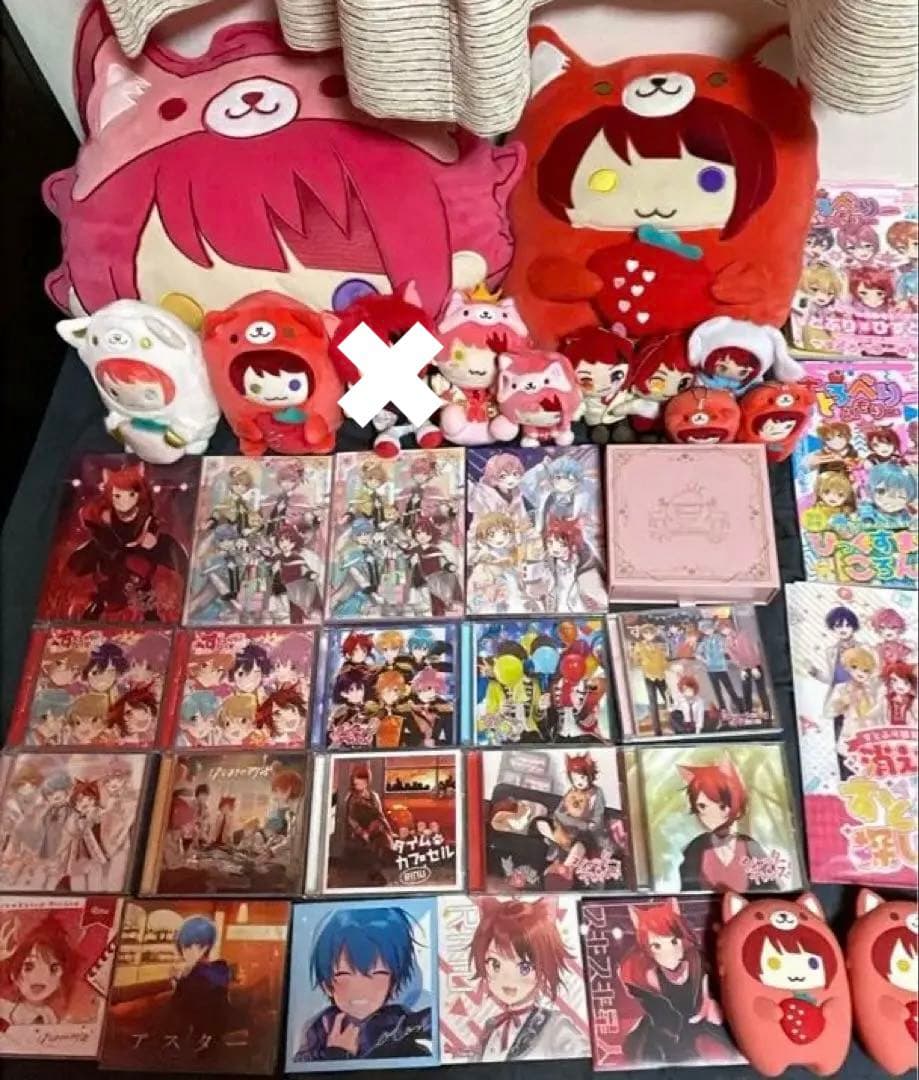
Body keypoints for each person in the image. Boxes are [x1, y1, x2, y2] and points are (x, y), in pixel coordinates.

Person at [296, 907, 431, 1061]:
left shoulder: (396, 1019)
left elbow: (430, 1023)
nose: (361, 988)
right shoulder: (320, 1028)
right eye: (344, 974)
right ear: (326, 985)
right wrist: (337, 1053)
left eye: (378, 974)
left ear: (392, 985)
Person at [618, 899, 732, 1064]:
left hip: (702, 1026)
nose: (669, 953)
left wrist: (710, 1003)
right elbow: (658, 1013)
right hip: (667, 1033)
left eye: (673, 941)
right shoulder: (647, 976)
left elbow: (715, 987)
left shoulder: (699, 961)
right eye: (656, 946)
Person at [470, 898, 583, 1061]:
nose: (508, 978)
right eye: (495, 964)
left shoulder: (557, 1026)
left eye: (525, 967)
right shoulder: (491, 1026)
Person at [677, 759, 768, 892]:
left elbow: (768, 890)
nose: (712, 815)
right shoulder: (694, 849)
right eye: (702, 806)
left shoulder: (750, 847)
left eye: (722, 806)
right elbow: (688, 893)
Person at [161, 916, 231, 1050]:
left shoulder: (193, 978)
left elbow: (177, 1011)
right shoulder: (220, 970)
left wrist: (179, 982)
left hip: (195, 1042)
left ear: (204, 947)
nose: (185, 953)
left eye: (188, 947)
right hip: (214, 1038)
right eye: (183, 948)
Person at [0, 915, 77, 1028]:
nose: (40, 976)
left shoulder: (50, 1016)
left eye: (53, 969)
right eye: (29, 967)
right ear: (13, 974)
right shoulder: (4, 1009)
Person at [345, 766, 393, 887]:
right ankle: (375, 874)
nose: (359, 783)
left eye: (362, 780)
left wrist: (389, 830)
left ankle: (376, 872)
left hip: (375, 828)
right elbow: (351, 819)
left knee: (385, 842)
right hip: (360, 831)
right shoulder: (351, 798)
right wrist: (362, 832)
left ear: (367, 781)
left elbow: (380, 815)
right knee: (376, 844)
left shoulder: (373, 796)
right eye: (357, 780)